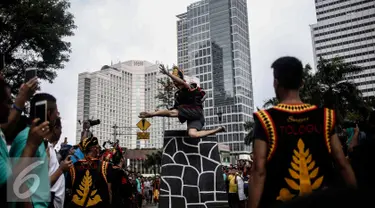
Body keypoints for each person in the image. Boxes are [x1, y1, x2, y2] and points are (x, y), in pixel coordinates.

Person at [248, 57, 357, 208]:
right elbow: (342, 162)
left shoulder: (266, 119)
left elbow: (258, 170)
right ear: (302, 83)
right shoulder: (325, 117)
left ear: (276, 83)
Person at [139, 64, 225, 138]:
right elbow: (173, 110)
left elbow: (183, 83)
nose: (175, 83)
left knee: (172, 113)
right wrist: (160, 112)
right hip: (192, 117)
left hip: (196, 113)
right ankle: (217, 130)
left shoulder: (189, 87)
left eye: (176, 80)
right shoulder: (177, 95)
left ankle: (151, 114)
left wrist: (168, 74)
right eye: (173, 81)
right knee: (192, 134)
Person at [10, 93, 60, 208]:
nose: (57, 116)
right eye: (56, 112)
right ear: (48, 113)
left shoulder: (36, 138)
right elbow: (18, 181)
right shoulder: (26, 138)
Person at [66, 137, 112, 207]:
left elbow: (69, 189)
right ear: (94, 149)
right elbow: (109, 191)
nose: (98, 149)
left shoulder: (72, 167)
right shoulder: (106, 166)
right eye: (97, 147)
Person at [46, 117, 72, 208]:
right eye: (60, 129)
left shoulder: (50, 147)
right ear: (55, 128)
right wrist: (61, 169)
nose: (61, 132)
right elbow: (41, 184)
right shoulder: (46, 149)